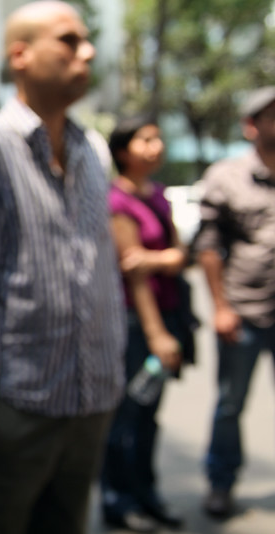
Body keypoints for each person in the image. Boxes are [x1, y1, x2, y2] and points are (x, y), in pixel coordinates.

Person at [0, 2, 126, 533]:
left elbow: (100, 264)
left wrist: (111, 367)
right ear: (20, 55)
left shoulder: (91, 148)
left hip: (92, 397)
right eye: (69, 40)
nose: (86, 52)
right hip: (18, 403)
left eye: (86, 41)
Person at [100, 116, 190, 532]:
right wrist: (157, 335)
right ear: (123, 151)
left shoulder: (158, 194)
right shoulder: (117, 201)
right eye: (146, 139)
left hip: (168, 313)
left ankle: (147, 493)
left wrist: (162, 258)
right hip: (138, 322)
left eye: (158, 138)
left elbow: (179, 253)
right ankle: (118, 500)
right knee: (127, 416)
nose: (157, 146)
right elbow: (134, 274)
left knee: (149, 414)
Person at [193, 85, 275, 519]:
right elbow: (208, 247)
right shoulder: (226, 176)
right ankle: (220, 482)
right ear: (251, 126)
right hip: (244, 311)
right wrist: (221, 307)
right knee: (230, 404)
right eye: (271, 115)